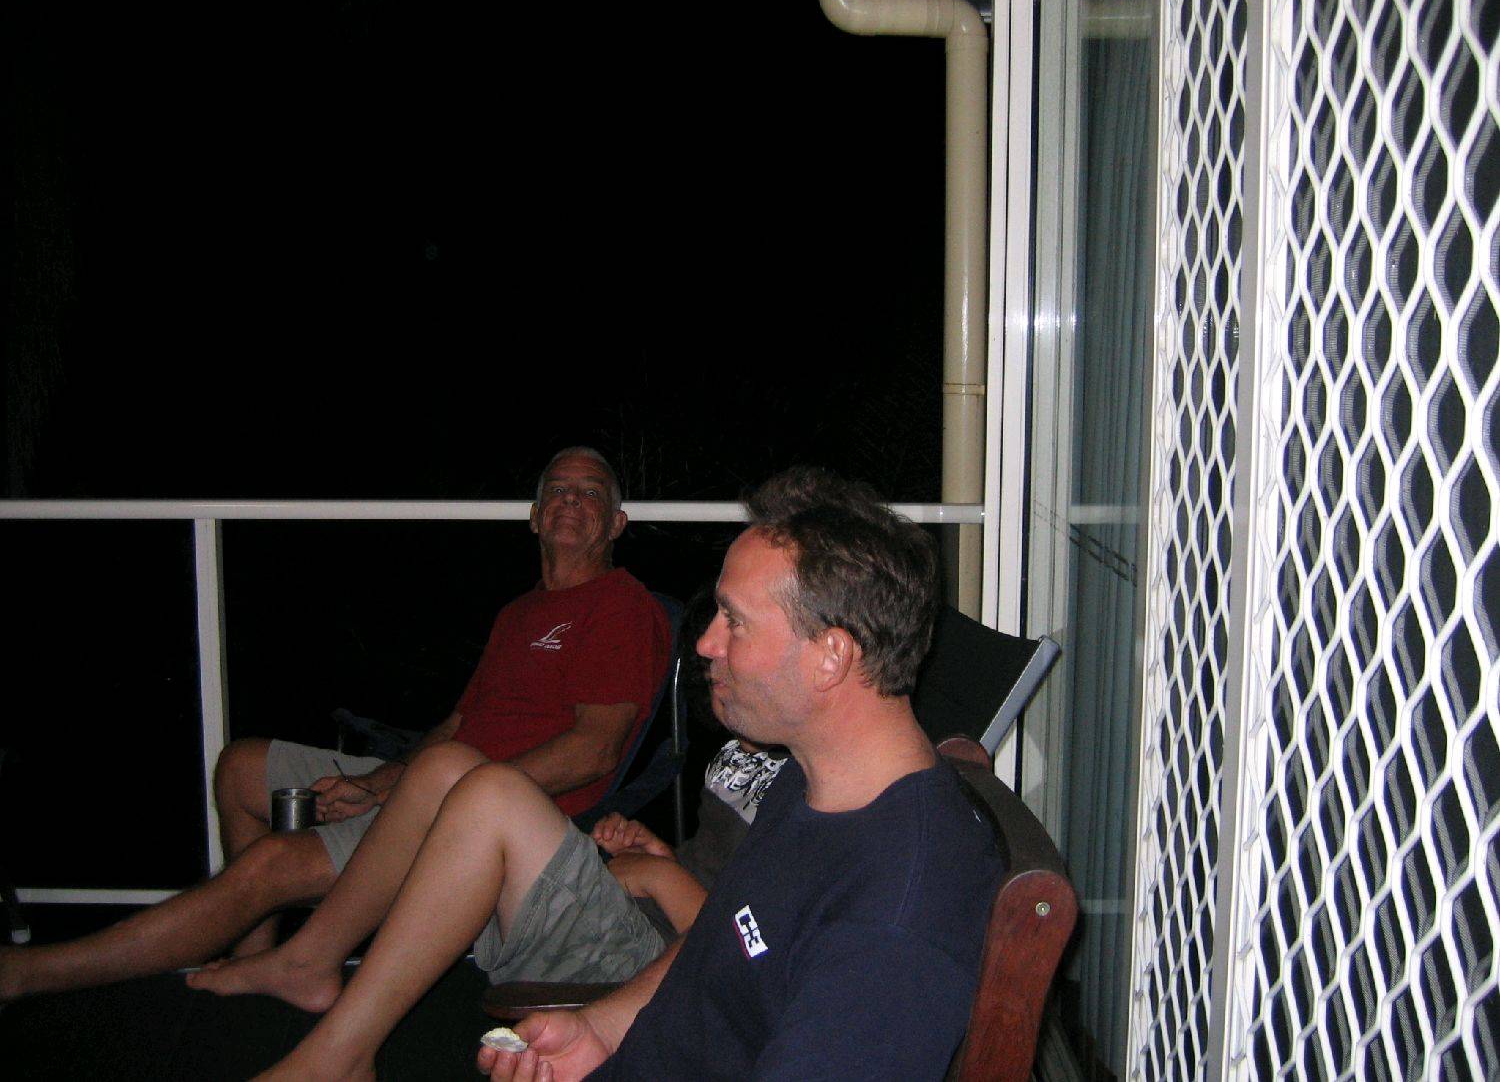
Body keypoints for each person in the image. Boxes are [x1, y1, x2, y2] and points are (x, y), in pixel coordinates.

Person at [0, 447, 670, 1003]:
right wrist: (380, 784)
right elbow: (457, 725)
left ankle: (29, 972)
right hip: (436, 780)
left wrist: (455, 793)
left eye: (590, 493)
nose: (571, 500)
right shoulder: (518, 613)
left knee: (270, 865)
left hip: (492, 813)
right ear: (533, 516)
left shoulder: (619, 605)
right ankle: (255, 963)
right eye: (557, 490)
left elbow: (594, 750)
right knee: (242, 766)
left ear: (617, 523)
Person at [481, 467, 1003, 1081]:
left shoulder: (894, 919)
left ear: (830, 656)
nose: (706, 644)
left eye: (734, 620)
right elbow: (721, 938)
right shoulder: (809, 783)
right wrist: (601, 1030)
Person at [238, 729, 785, 1080]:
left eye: (736, 623)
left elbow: (757, 944)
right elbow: (727, 866)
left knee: (493, 795)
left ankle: (340, 1058)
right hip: (650, 909)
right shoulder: (762, 742)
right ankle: (309, 959)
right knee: (444, 766)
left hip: (664, 965)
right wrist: (661, 852)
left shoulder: (825, 784)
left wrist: (663, 878)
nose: (708, 645)